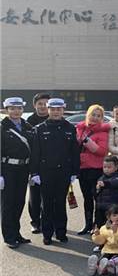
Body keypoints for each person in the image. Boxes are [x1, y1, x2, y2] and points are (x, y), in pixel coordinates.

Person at [30, 98, 80, 245]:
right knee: (46, 204)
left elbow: (74, 151)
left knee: (60, 203)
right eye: (53, 109)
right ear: (48, 110)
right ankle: (47, 234)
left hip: (64, 172)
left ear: (63, 110)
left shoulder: (70, 128)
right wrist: (34, 173)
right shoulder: (40, 128)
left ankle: (61, 232)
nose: (56, 112)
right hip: (45, 172)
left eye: (59, 109)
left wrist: (74, 171)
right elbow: (35, 153)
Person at [1, 97, 34, 248]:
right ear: (6, 110)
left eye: (19, 108)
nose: (16, 111)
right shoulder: (2, 127)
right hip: (8, 169)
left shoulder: (27, 126)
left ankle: (16, 233)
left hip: (23, 169)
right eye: (12, 108)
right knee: (8, 203)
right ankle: (9, 236)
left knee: (19, 202)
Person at [76, 105, 111, 234]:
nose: (95, 118)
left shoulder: (103, 132)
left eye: (98, 116)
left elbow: (102, 151)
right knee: (87, 198)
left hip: (96, 169)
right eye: (93, 114)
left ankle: (98, 225)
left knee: (98, 198)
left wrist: (88, 142)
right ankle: (87, 224)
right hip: (82, 168)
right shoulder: (80, 129)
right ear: (88, 115)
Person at [27, 92, 50, 234]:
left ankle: (49, 222)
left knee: (50, 196)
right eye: (40, 104)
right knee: (34, 196)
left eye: (45, 104)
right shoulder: (29, 121)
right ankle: (35, 222)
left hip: (51, 165)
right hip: (34, 164)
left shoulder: (54, 119)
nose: (43, 106)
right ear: (34, 105)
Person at [88, 204, 118, 276]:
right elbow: (101, 241)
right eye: (114, 215)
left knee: (115, 259)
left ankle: (111, 268)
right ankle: (95, 267)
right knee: (104, 258)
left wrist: (116, 232)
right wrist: (97, 235)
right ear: (109, 217)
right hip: (108, 249)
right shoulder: (104, 228)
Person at [93, 155, 118, 228]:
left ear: (116, 167)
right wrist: (97, 189)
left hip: (112, 207)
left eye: (109, 167)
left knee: (112, 225)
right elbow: (96, 193)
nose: (106, 169)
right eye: (104, 167)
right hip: (100, 206)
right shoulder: (101, 178)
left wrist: (105, 184)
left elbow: (115, 182)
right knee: (99, 225)